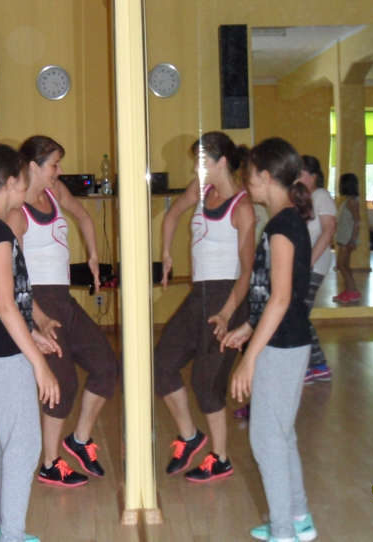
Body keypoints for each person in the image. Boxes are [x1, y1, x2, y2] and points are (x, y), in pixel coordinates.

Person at [8, 135, 120, 487]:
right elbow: (15, 276)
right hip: (38, 302)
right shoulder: (16, 212)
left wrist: (93, 255)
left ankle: (80, 440)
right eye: (54, 164)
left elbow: (84, 216)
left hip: (64, 300)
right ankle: (49, 462)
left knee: (106, 367)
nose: (59, 171)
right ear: (33, 166)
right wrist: (37, 317)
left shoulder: (55, 192)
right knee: (63, 384)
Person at [0, 143, 61, 542]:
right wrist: (39, 364)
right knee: (22, 447)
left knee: (3, 445)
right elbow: (4, 307)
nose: (26, 186)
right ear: (9, 182)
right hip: (3, 356)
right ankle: (12, 536)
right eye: (22, 179)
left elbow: (0, 304)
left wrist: (35, 335)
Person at [221, 137, 317, 542]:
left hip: (281, 347)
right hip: (287, 340)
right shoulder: (286, 221)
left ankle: (283, 531)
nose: (246, 182)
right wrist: (247, 327)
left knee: (266, 441)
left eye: (249, 175)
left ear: (264, 176)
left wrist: (249, 359)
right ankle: (298, 519)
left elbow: (280, 298)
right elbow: (276, 297)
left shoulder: (282, 227)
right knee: (281, 434)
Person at [154, 131, 255, 482]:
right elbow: (172, 216)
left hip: (228, 298)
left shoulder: (242, 207)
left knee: (205, 383)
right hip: (198, 296)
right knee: (162, 364)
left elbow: (247, 272)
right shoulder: (200, 190)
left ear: (221, 162)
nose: (196, 169)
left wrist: (226, 314)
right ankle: (189, 436)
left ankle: (221, 458)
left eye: (202, 162)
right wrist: (166, 253)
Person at [298, 156, 337, 383]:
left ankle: (309, 364)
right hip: (305, 264)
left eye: (301, 174)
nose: (297, 178)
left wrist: (309, 261)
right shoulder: (303, 200)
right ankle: (318, 364)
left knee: (299, 313)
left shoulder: (321, 195)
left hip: (315, 264)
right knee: (300, 313)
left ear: (314, 176)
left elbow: (328, 230)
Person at [333, 173, 361, 304]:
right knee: (345, 266)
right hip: (344, 238)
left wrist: (352, 240)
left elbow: (357, 221)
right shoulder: (349, 200)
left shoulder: (351, 202)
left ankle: (352, 292)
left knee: (341, 266)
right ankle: (351, 291)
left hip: (346, 240)